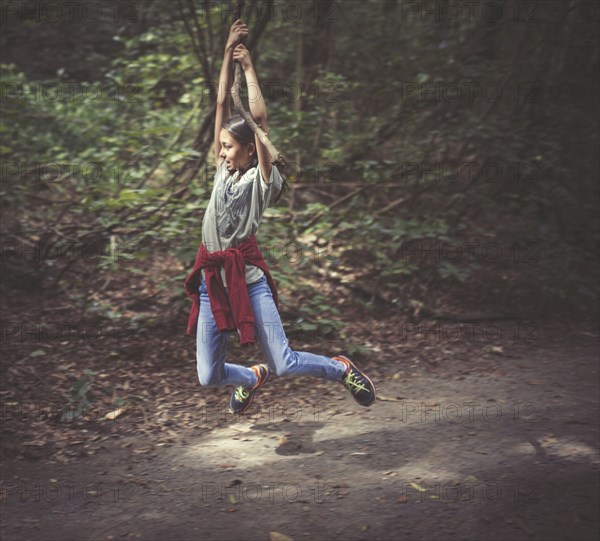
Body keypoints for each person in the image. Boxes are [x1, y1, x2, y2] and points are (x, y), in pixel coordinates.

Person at [184, 19, 376, 415]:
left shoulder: (263, 179)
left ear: (250, 151)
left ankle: (339, 368)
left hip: (248, 282)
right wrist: (225, 54)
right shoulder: (222, 171)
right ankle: (250, 378)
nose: (220, 152)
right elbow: (221, 104)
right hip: (212, 282)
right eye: (220, 146)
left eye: (228, 147)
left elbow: (260, 122)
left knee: (284, 362)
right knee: (208, 376)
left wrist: (250, 69)